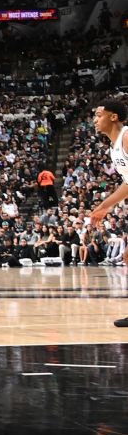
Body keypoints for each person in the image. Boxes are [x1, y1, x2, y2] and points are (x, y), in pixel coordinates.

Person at [87, 99, 128, 327]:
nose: (95, 119)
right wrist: (105, 206)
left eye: (99, 114)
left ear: (113, 117)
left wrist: (105, 206)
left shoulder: (127, 137)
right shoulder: (114, 149)